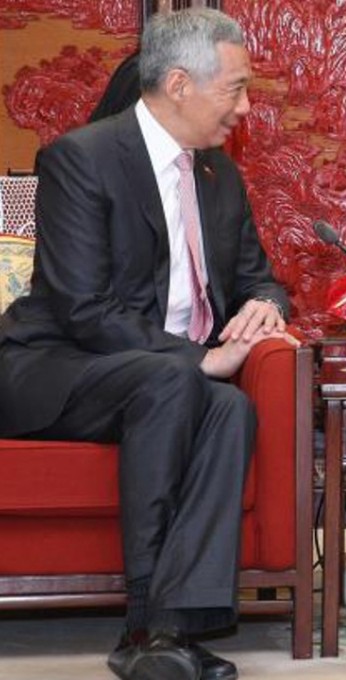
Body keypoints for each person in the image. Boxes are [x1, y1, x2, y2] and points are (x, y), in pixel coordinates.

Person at [0, 9, 293, 680]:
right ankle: (141, 621)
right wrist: (199, 359)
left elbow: (260, 278)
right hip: (54, 369)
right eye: (236, 89)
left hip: (158, 381)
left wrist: (264, 306)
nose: (245, 109)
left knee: (230, 407)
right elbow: (83, 309)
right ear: (180, 84)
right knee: (180, 381)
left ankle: (168, 632)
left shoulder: (219, 178)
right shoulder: (82, 159)